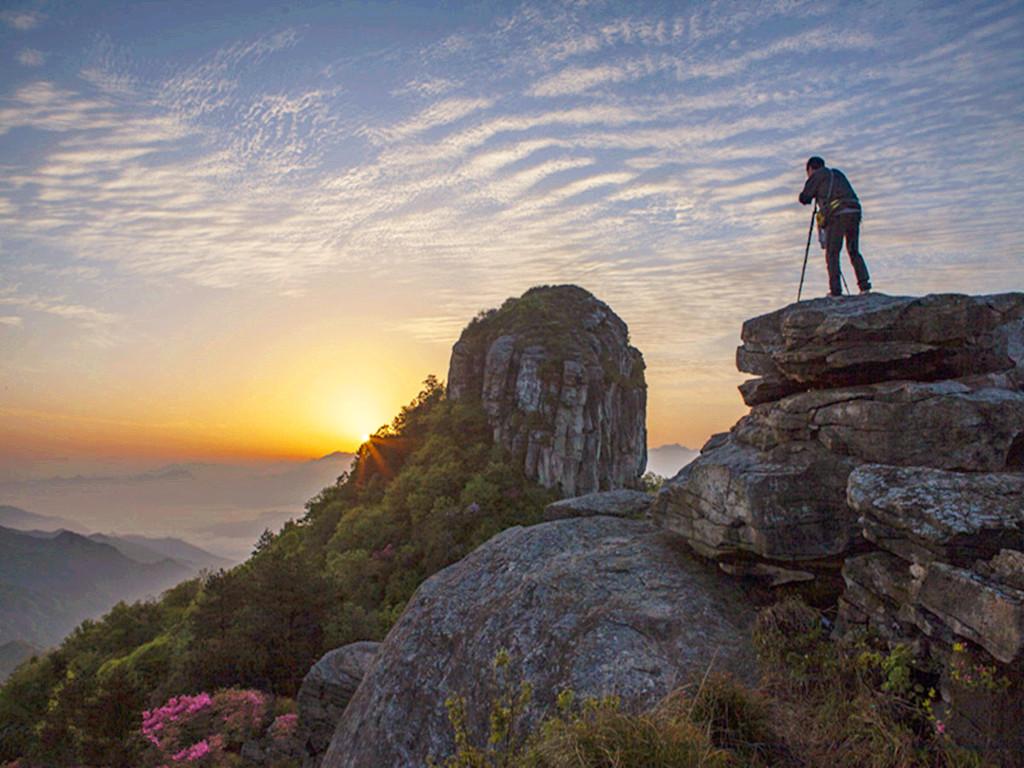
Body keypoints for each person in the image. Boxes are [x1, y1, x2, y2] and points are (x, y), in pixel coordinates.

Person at [799, 156, 872, 297]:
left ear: (810, 169)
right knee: (853, 250)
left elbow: (804, 198)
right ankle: (865, 286)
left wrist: (812, 192)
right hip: (855, 211)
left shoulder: (817, 175)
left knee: (832, 253)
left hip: (837, 215)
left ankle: (836, 291)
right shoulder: (837, 173)